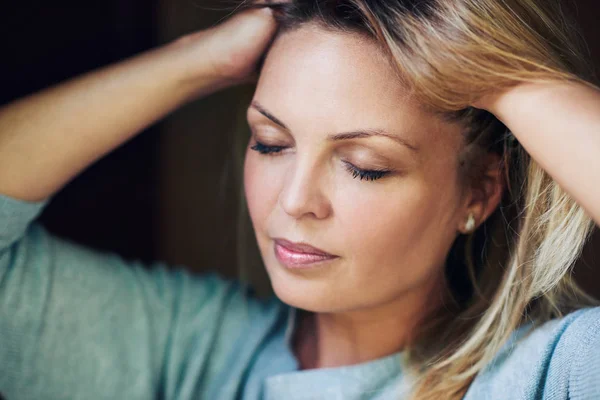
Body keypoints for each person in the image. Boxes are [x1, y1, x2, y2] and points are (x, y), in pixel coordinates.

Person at [1, 0, 599, 399]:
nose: (294, 199)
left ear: (479, 191)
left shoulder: (544, 377)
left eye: (365, 168)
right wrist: (201, 59)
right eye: (270, 143)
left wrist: (502, 74)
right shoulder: (193, 348)